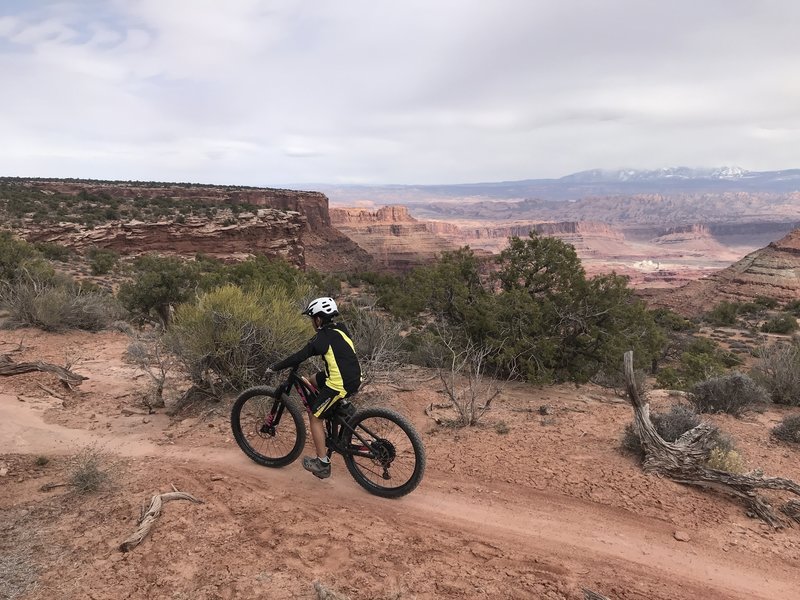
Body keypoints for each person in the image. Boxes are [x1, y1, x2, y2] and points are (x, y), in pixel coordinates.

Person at [267, 297, 361, 479]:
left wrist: (275, 367)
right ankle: (337, 409)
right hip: (353, 376)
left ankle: (322, 463)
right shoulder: (340, 328)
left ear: (318, 319)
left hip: (339, 383)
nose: (312, 322)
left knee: (315, 417)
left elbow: (299, 356)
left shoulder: (321, 338)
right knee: (312, 380)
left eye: (312, 319)